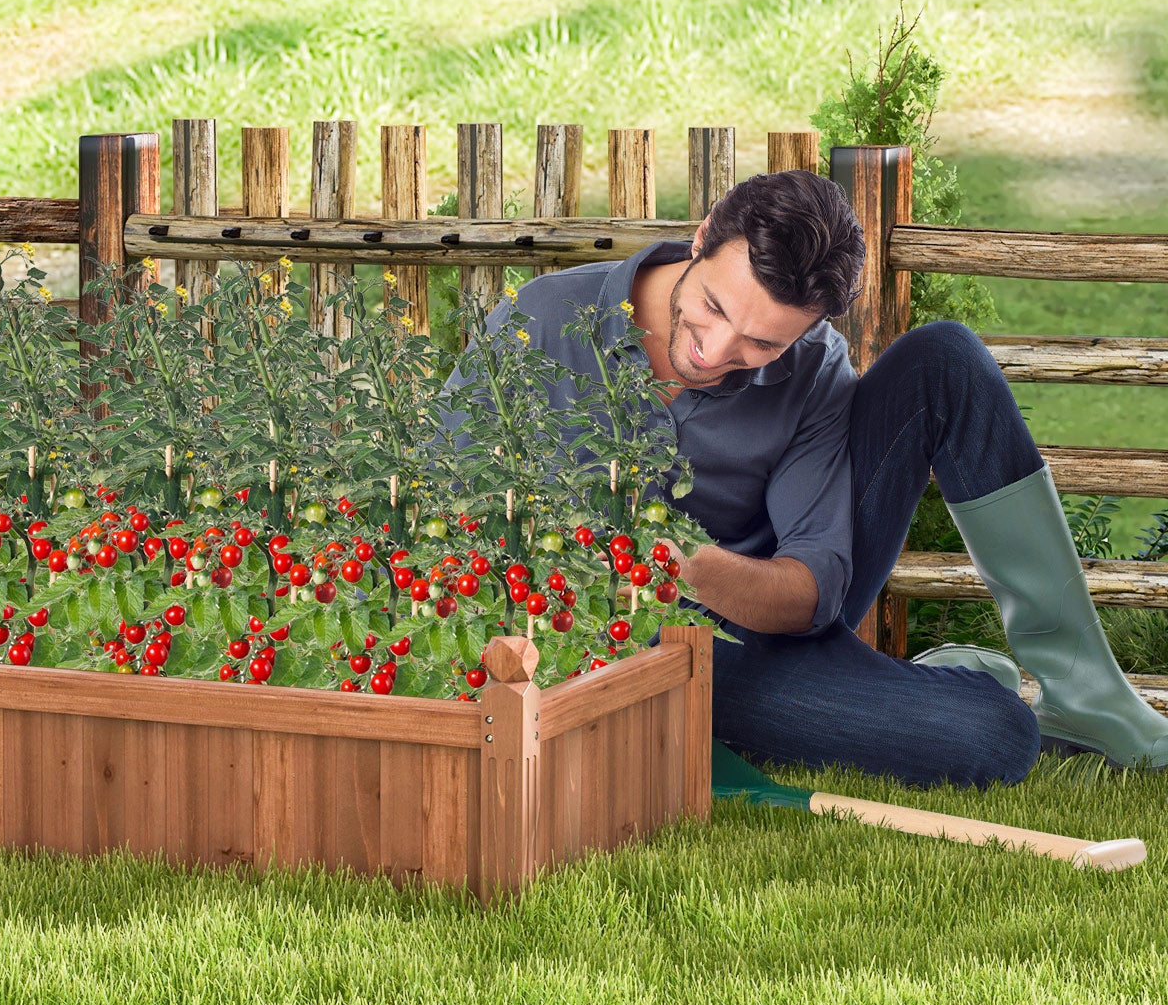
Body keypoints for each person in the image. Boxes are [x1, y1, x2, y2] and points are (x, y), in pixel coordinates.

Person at [451, 168, 1167, 785]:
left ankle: (1090, 697)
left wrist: (684, 564)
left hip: (753, 621)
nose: (715, 351)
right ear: (702, 238)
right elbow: (439, 505)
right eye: (713, 307)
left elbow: (814, 595)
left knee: (944, 357)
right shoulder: (536, 323)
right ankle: (933, 682)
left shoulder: (815, 367)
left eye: (763, 342)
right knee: (995, 737)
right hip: (610, 647)